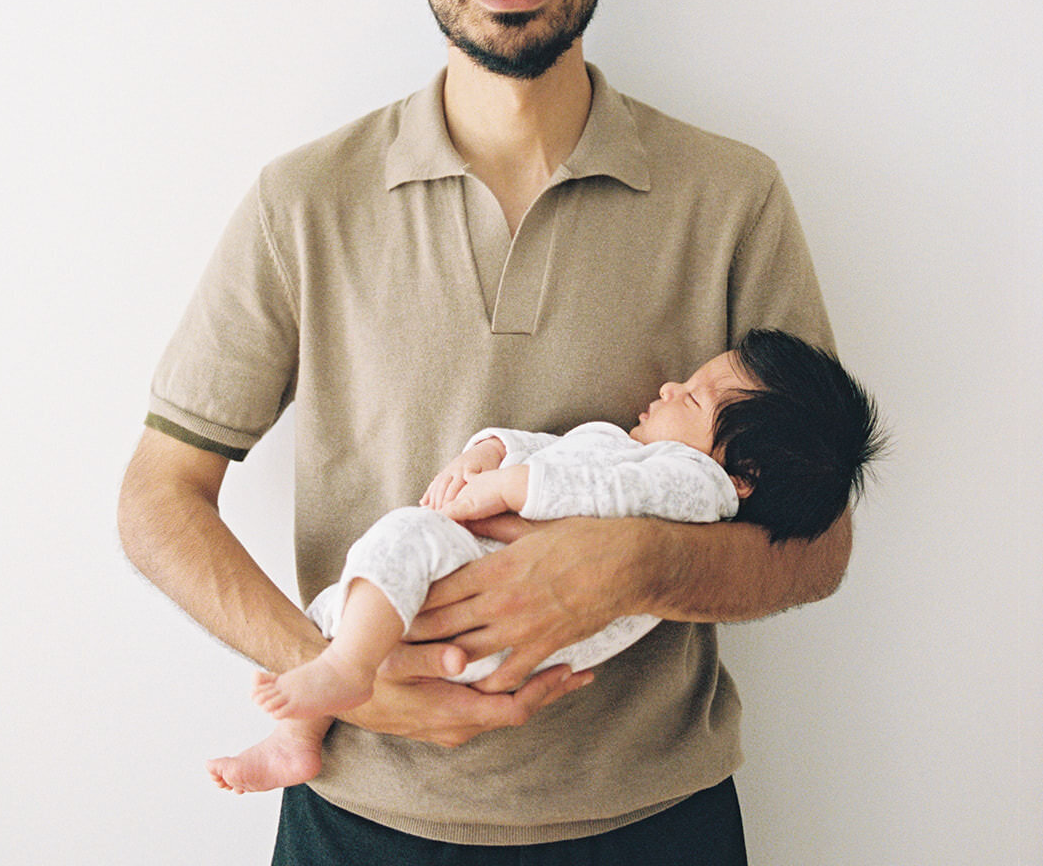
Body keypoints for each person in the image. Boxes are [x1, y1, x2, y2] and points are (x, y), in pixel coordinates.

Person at [119, 0, 855, 863]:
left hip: (654, 826)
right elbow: (160, 497)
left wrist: (626, 564)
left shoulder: (732, 196)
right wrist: (348, 680)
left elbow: (817, 541)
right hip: (360, 823)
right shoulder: (302, 199)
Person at [206, 330, 882, 799]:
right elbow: (547, 450)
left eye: (697, 399)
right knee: (339, 605)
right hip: (474, 626)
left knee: (400, 539)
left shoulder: (692, 484)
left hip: (495, 601)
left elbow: (605, 494)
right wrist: (487, 453)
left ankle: (347, 670)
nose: (672, 385)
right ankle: (300, 733)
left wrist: (506, 489)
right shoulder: (625, 445)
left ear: (746, 474)